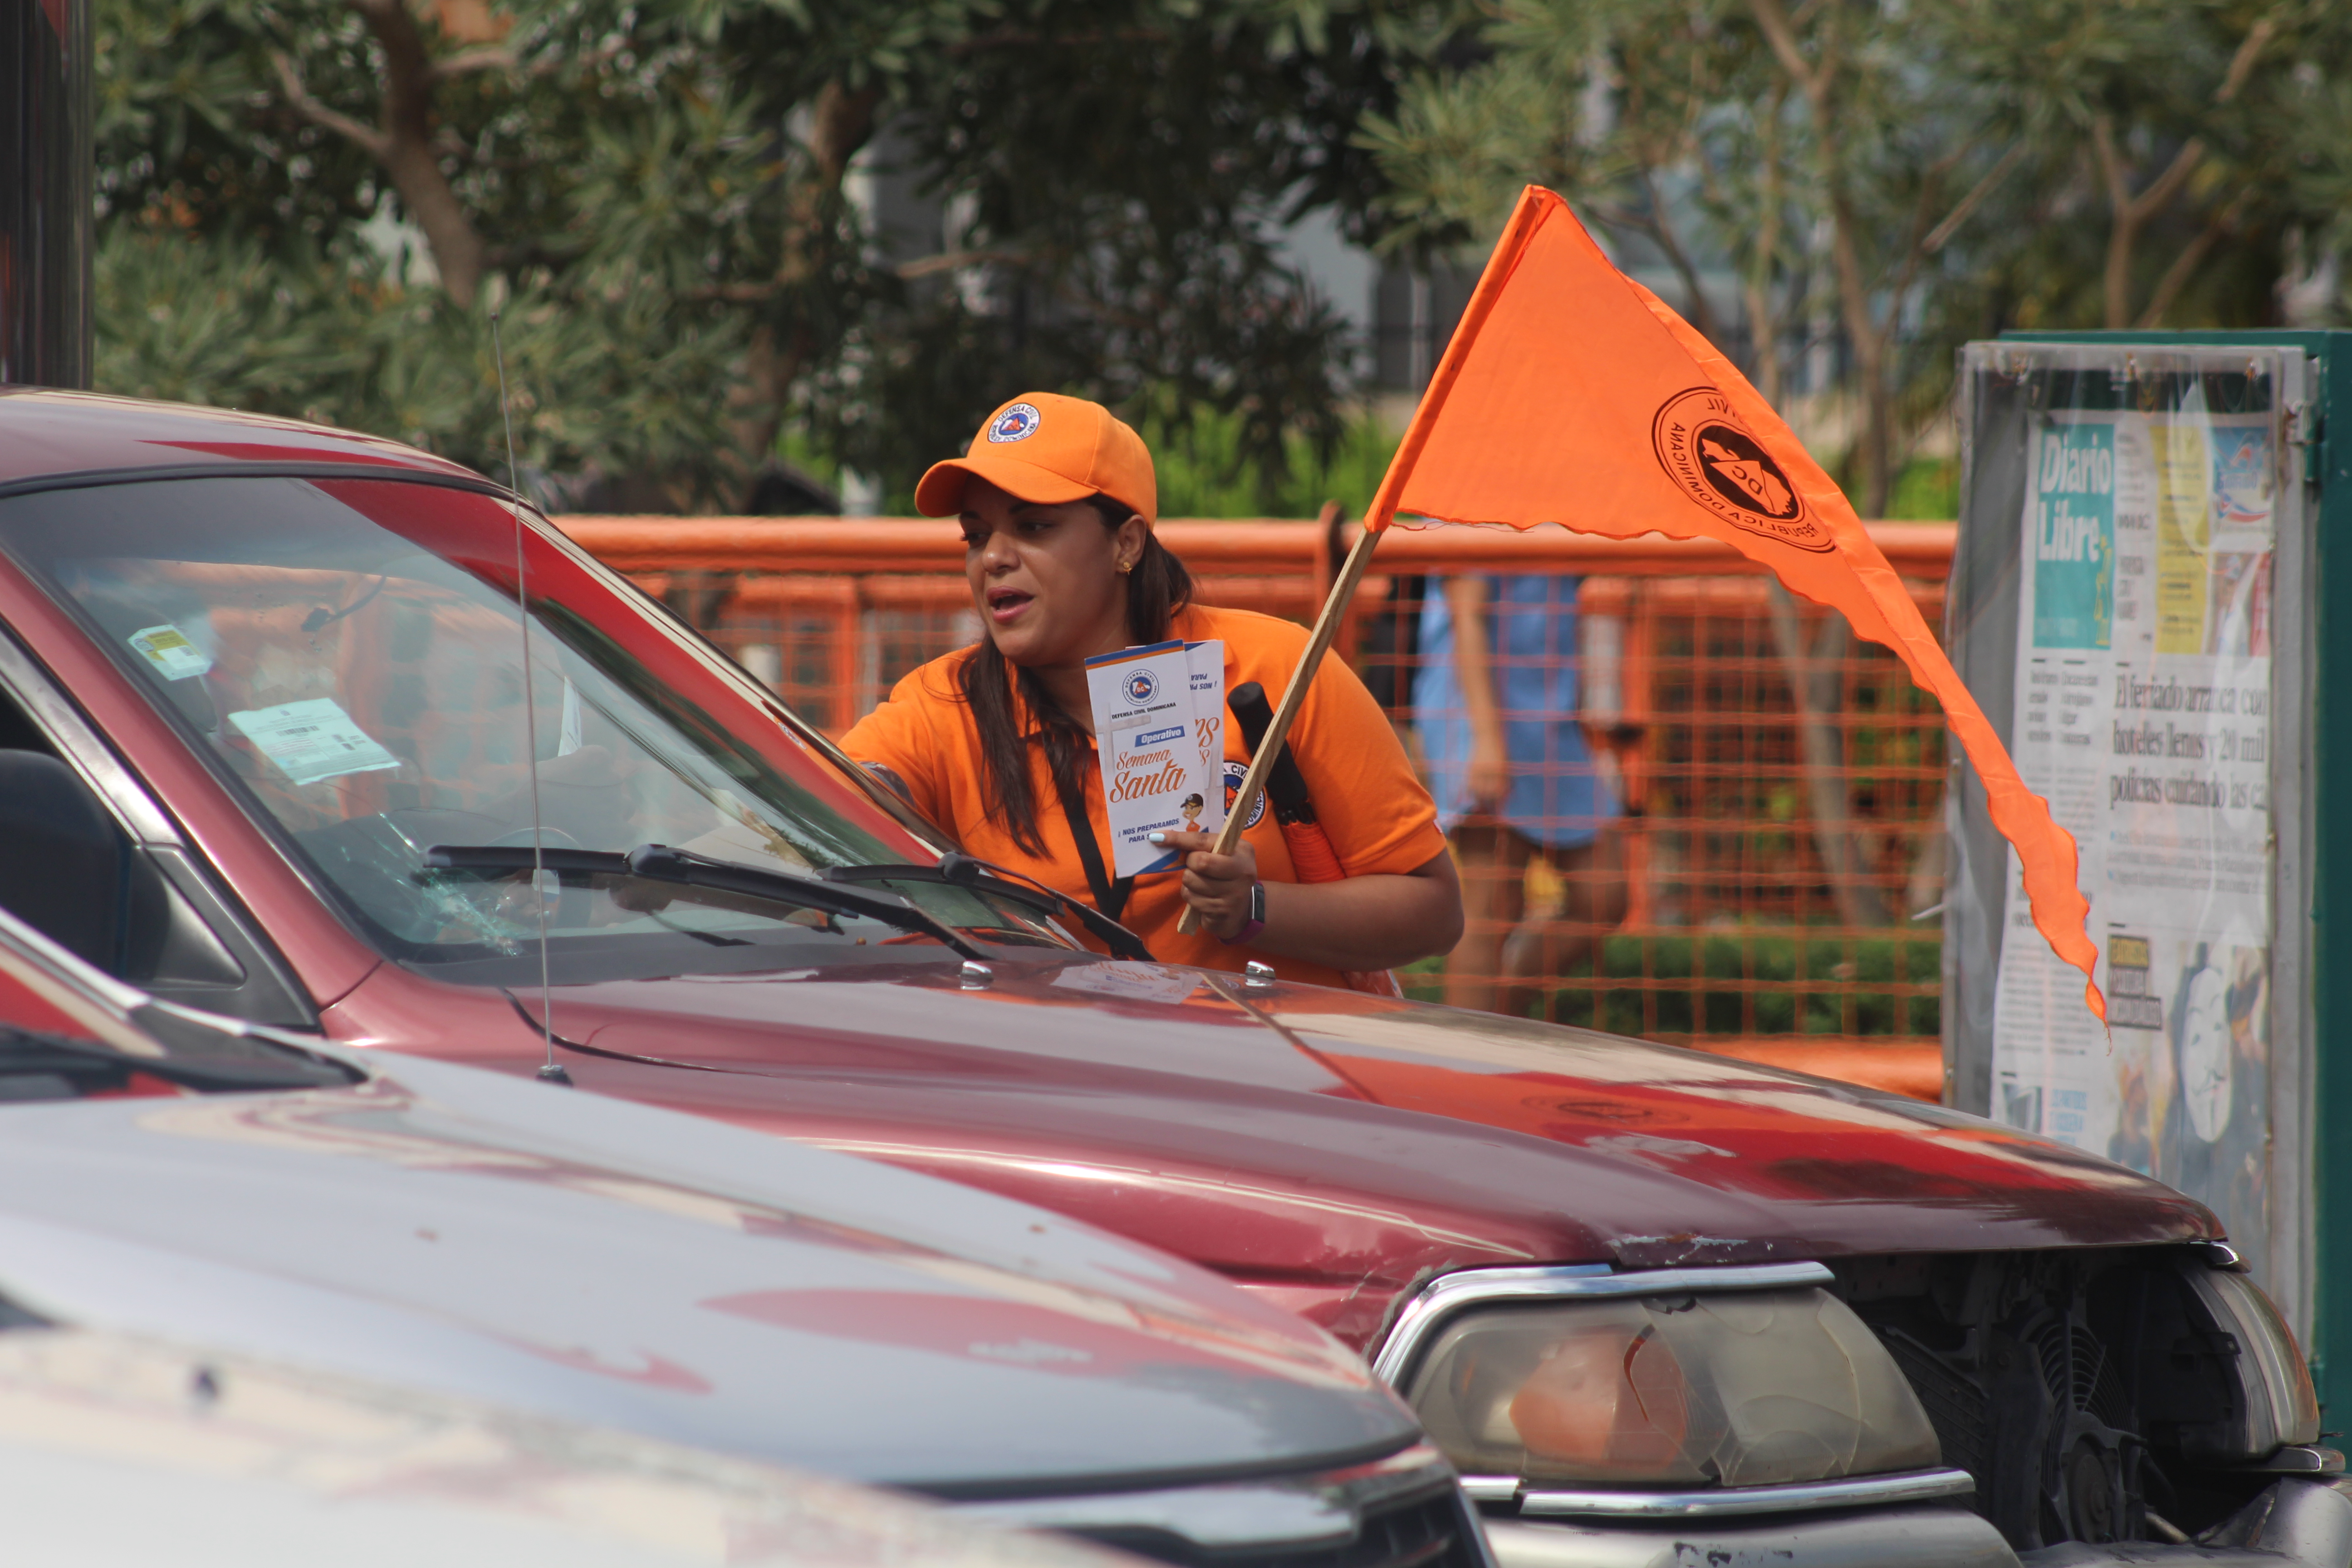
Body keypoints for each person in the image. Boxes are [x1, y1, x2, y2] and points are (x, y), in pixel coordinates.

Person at [842, 393, 1462, 985]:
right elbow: (837, 799)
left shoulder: (1276, 668)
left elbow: (1433, 912)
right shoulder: (941, 704)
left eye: (1033, 526)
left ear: (1127, 543)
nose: (993, 558)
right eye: (975, 536)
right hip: (1053, 1057)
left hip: (1270, 1056)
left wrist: (1255, 908)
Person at [1415, 571, 1627, 1016]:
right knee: (1492, 904)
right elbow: (1467, 616)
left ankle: (1500, 1019)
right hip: (1483, 719)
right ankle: (1467, 1046)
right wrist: (1487, 741)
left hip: (1552, 724)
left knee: (1605, 895)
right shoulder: (1474, 527)